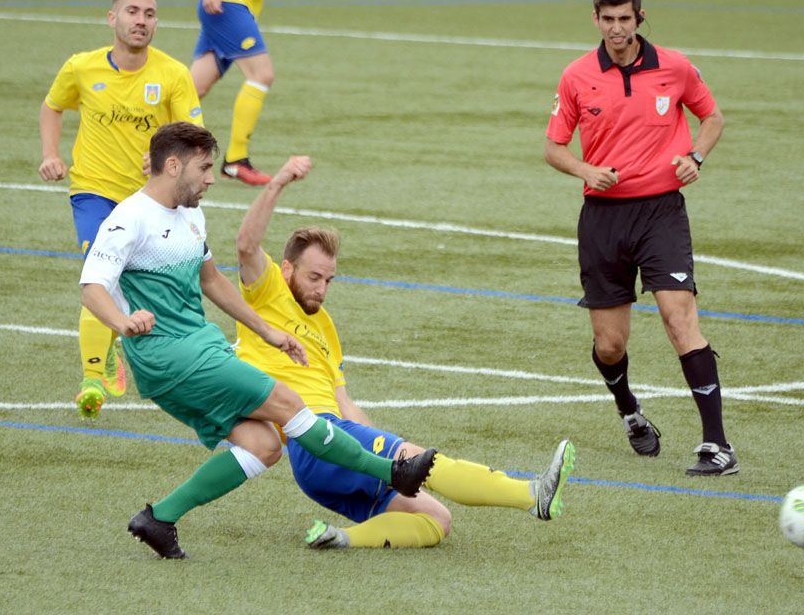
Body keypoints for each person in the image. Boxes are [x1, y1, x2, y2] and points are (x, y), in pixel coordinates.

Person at [79, 122, 436, 559]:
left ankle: (159, 518)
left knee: (264, 446)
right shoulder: (128, 219)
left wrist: (268, 331)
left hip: (200, 346)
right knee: (289, 405)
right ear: (173, 166)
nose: (212, 177)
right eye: (205, 167)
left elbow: (211, 279)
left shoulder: (191, 214)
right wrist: (122, 321)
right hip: (170, 355)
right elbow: (92, 285)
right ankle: (391, 471)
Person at [232, 156, 577, 549]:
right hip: (314, 440)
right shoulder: (266, 293)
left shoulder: (325, 327)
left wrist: (375, 445)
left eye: (329, 280)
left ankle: (339, 539)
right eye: (314, 277)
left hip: (329, 452)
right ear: (287, 269)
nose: (322, 289)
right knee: (424, 461)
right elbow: (246, 245)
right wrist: (277, 183)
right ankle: (532, 496)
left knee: (436, 519)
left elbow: (344, 402)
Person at [544, 0, 737, 477]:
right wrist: (585, 170)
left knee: (679, 318)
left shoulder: (673, 66)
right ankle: (629, 409)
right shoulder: (576, 76)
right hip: (603, 219)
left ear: (639, 18)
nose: (615, 29)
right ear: (595, 19)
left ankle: (717, 445)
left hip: (661, 214)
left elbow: (712, 118)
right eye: (606, 20)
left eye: (624, 19)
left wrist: (696, 155)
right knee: (610, 344)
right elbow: (554, 147)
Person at [39, 0, 205, 420]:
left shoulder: (172, 75)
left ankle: (112, 343)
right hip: (92, 190)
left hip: (147, 198)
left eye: (150, 14)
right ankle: (92, 377)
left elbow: (193, 135)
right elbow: (52, 106)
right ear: (112, 18)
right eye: (132, 11)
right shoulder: (81, 68)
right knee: (101, 269)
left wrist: (186, 175)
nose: (141, 20)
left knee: (139, 281)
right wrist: (51, 154)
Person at [187, 0, 312, 186]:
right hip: (224, 4)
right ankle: (235, 159)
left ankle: (147, 142)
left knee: (191, 89)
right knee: (262, 75)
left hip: (243, 13)